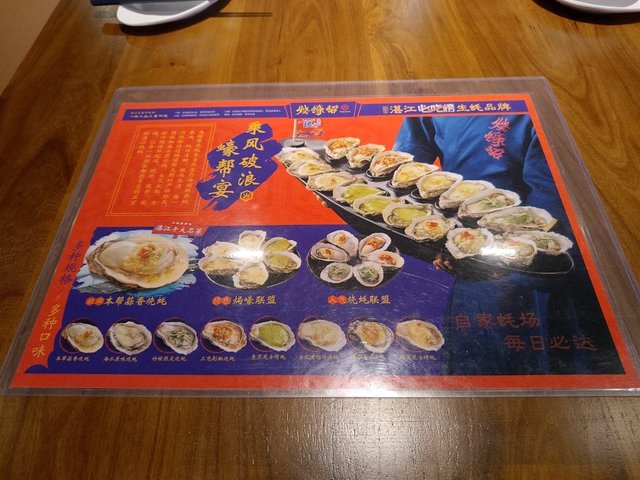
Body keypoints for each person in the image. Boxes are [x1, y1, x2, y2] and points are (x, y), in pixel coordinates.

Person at [393, 115, 623, 375]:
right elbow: (409, 159)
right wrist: (434, 237)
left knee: (554, 362)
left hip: (539, 261)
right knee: (479, 369)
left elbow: (553, 193)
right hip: (465, 249)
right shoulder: (431, 102)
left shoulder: (541, 113)